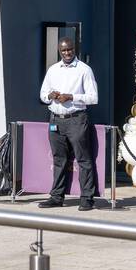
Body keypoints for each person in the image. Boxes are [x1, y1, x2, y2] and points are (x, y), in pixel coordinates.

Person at [37, 38, 100, 211]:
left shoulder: (84, 70)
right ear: (59, 50)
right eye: (63, 50)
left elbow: (93, 97)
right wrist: (51, 95)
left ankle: (87, 198)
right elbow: (42, 94)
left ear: (75, 49)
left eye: (69, 50)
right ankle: (57, 196)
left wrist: (71, 96)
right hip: (56, 119)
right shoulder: (53, 69)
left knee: (83, 159)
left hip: (76, 119)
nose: (67, 53)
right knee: (59, 160)